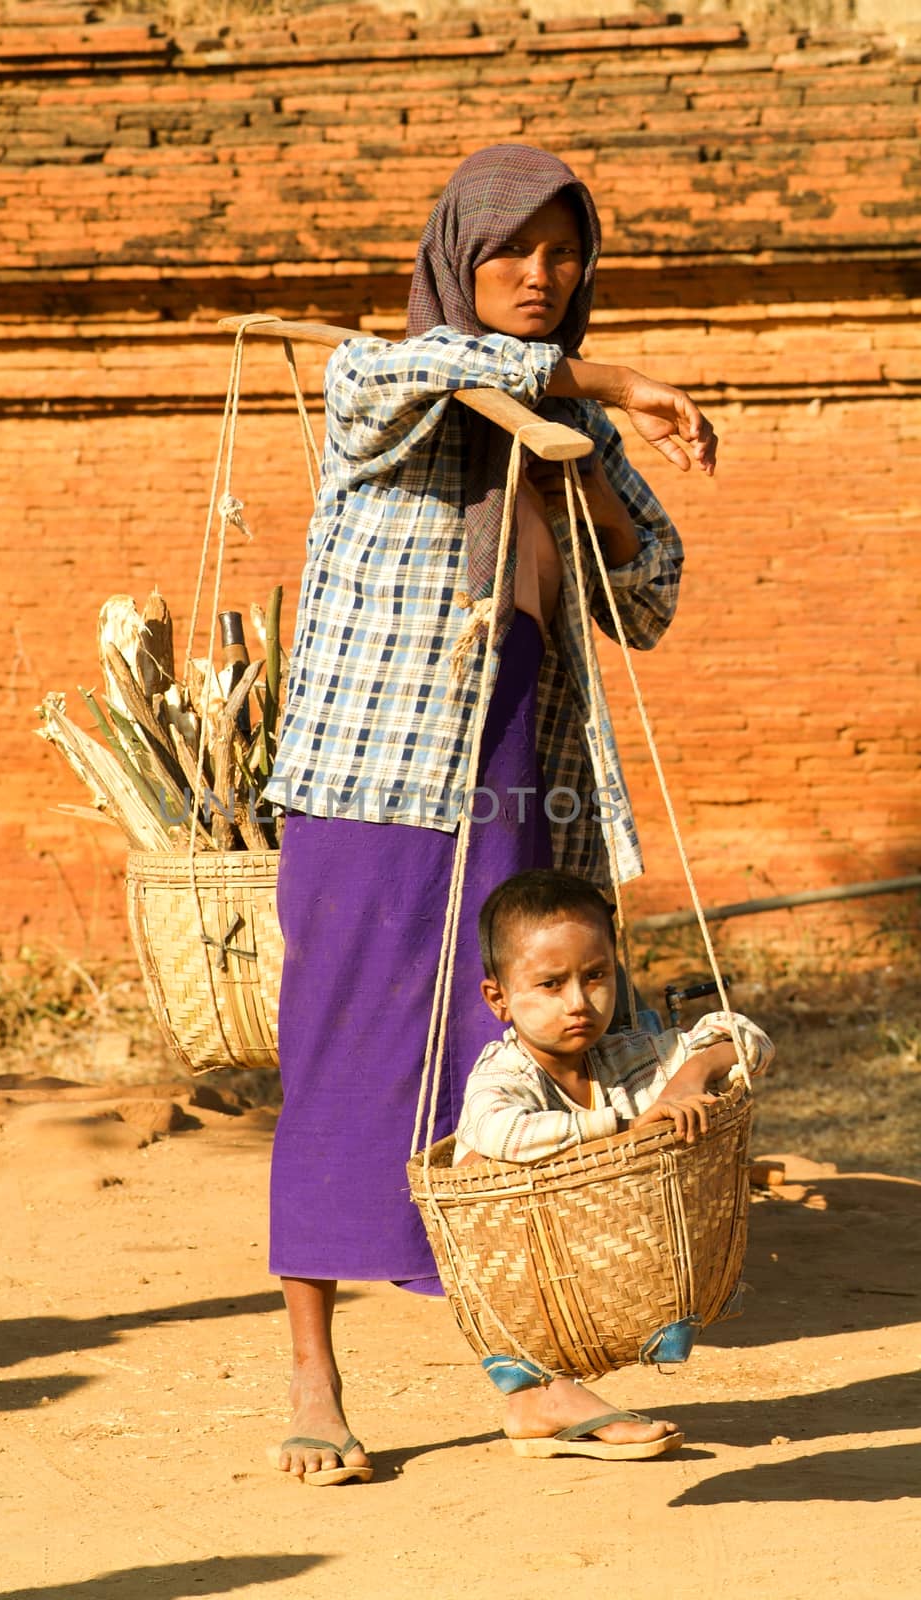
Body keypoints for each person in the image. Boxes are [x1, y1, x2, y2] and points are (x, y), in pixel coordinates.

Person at [261, 143, 721, 1485]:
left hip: (517, 777)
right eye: (510, 248)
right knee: (346, 1064)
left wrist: (586, 455)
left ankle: (529, 1377)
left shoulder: (561, 433)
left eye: (564, 252)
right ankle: (311, 1378)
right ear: (455, 258)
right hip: (369, 787)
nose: (540, 273)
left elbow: (647, 595)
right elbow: (390, 373)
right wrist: (611, 377)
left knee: (507, 1072)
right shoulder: (382, 387)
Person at [452, 868, 773, 1459]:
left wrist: (689, 1076)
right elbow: (500, 1132)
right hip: (539, 1268)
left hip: (618, 1257)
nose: (578, 1002)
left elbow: (746, 1036)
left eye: (595, 976)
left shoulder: (627, 1055)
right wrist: (622, 1127)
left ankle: (542, 1404)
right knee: (479, 1158)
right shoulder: (503, 1075)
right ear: (498, 999)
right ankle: (541, 1391)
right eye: (550, 984)